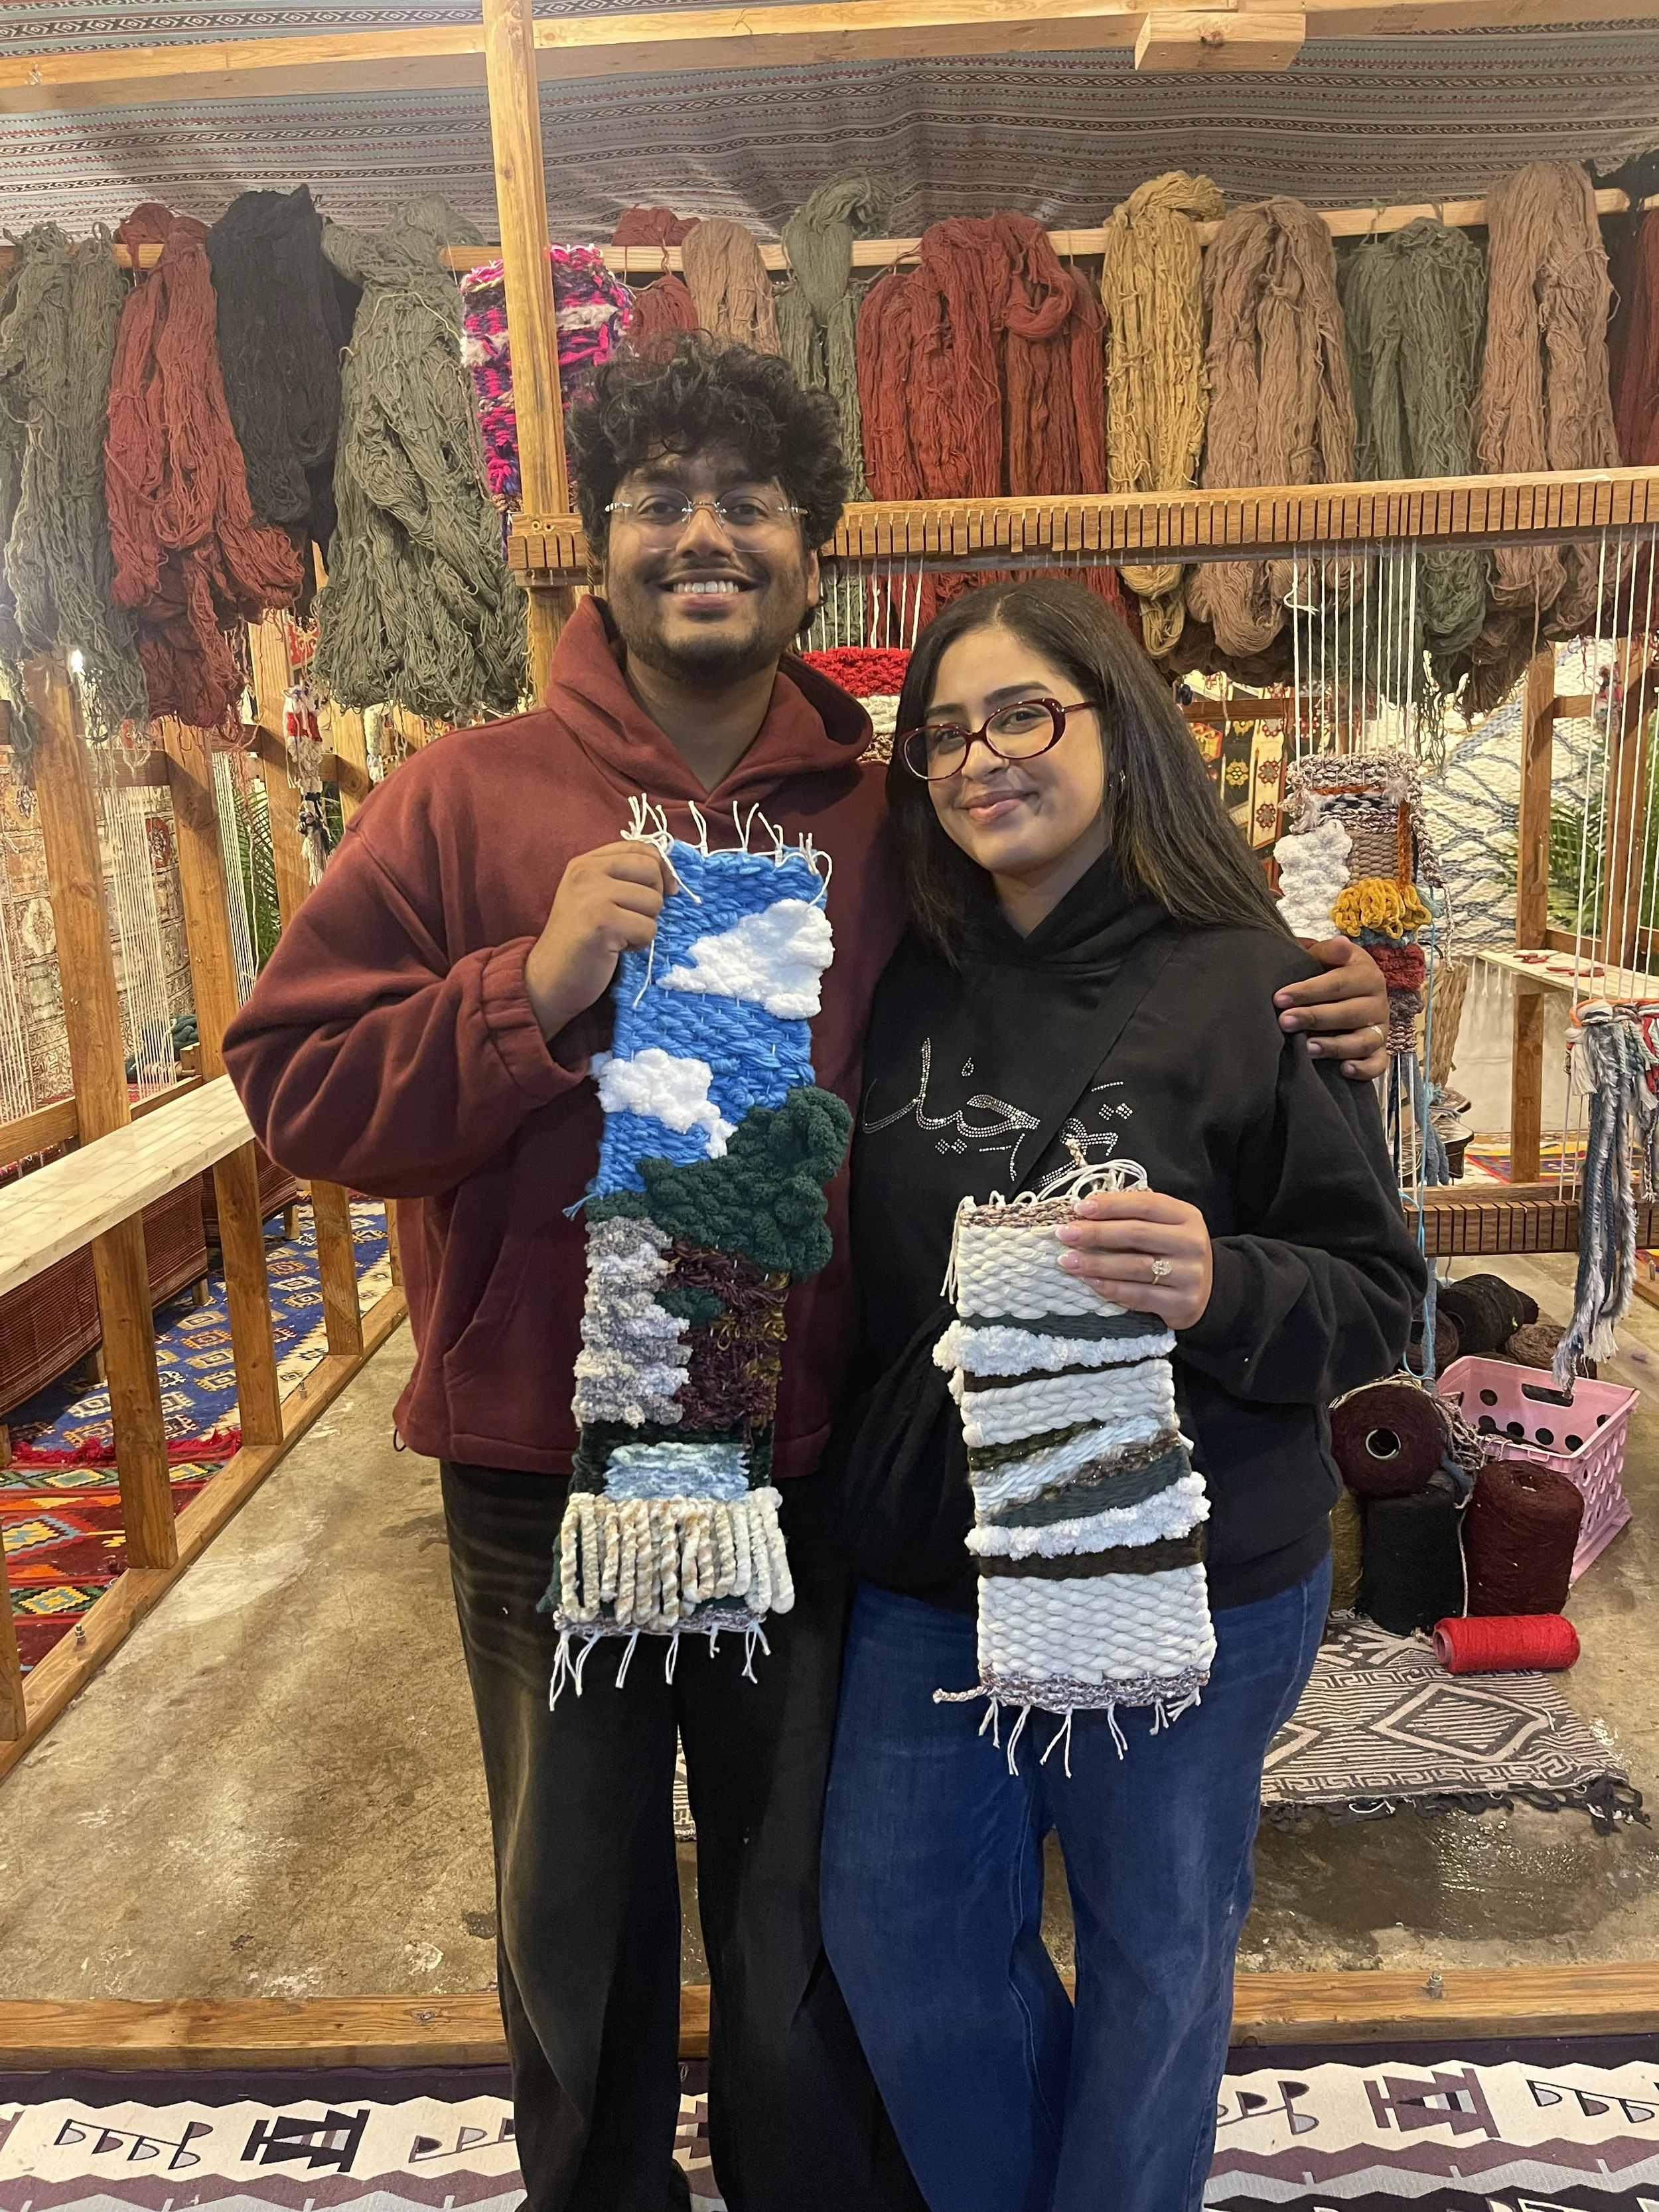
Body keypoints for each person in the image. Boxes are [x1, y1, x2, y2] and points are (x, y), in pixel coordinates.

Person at [221, 339, 1392, 2212]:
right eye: (657, 501)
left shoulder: (884, 816)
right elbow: (294, 1092)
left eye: (747, 504)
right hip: (545, 1474)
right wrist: (526, 990)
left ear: (809, 554)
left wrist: (1309, 991)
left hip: (811, 1465)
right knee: (573, 1917)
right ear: (595, 545)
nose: (703, 535)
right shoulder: (459, 798)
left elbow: (1087, 945)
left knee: (804, 1936)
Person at [818, 577, 1427, 2212]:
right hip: (931, 1566)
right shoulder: (891, 977)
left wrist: (1216, 1280)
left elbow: (1377, 1297)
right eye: (943, 733)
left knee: (1157, 1957)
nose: (981, 759)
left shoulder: (1256, 986)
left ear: (1117, 726)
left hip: (1190, 1577)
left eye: (1023, 713)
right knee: (898, 1935)